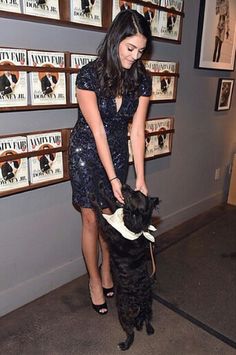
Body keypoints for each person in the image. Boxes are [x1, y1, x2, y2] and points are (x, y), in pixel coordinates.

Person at [69, 9, 152, 315]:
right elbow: (97, 131)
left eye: (141, 50)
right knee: (91, 218)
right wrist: (115, 180)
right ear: (116, 39)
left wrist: (140, 178)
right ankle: (94, 279)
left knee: (111, 219)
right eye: (130, 48)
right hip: (87, 153)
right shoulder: (88, 75)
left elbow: (138, 129)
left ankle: (107, 270)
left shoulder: (142, 79)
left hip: (117, 152)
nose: (135, 56)